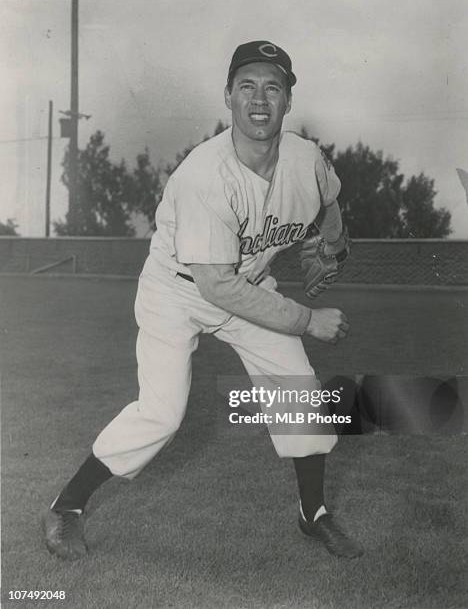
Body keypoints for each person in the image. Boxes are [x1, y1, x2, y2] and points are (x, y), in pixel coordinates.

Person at [42, 40, 363, 560]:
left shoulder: (307, 159)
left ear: (288, 101)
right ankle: (67, 506)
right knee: (162, 414)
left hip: (247, 282)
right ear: (229, 97)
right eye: (247, 87)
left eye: (272, 88)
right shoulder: (204, 176)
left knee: (298, 391)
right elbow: (216, 287)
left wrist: (332, 243)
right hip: (178, 291)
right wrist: (307, 320)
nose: (260, 100)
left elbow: (329, 201)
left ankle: (314, 514)